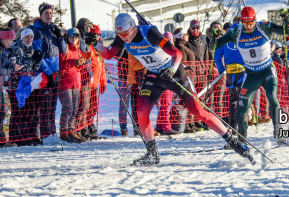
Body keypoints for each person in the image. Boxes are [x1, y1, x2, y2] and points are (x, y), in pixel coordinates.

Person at [92, 13, 252, 166]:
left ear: (133, 27)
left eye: (126, 32)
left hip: (174, 72)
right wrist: (95, 43)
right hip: (154, 75)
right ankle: (152, 153)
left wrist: (172, 68)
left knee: (198, 110)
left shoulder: (150, 33)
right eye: (120, 34)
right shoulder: (122, 38)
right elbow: (107, 54)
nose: (124, 37)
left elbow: (176, 53)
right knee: (141, 112)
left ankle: (232, 140)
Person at [209, 6, 289, 143]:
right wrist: (213, 37)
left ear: (255, 19)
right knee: (243, 106)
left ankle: (278, 130)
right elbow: (214, 46)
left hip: (267, 70)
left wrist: (286, 18)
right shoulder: (235, 31)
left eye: (251, 23)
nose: (248, 27)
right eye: (245, 23)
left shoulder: (264, 27)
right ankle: (242, 139)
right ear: (242, 21)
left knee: (272, 96)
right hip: (251, 74)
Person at [29, 3, 66, 139]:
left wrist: (60, 37)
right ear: (41, 15)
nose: (49, 15)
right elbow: (37, 55)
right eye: (46, 13)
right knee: (45, 106)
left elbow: (63, 51)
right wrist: (48, 73)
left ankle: (52, 133)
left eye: (50, 13)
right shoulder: (37, 31)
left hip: (55, 72)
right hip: (44, 73)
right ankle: (45, 134)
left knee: (53, 106)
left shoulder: (52, 30)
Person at [9, 28, 43, 146]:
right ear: (22, 37)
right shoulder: (16, 47)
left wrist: (38, 59)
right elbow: (20, 65)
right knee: (18, 111)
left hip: (28, 83)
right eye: (27, 37)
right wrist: (32, 59)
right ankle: (15, 137)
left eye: (31, 37)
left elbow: (34, 67)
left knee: (29, 111)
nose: (30, 39)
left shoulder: (31, 48)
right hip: (16, 84)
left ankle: (28, 135)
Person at [214, 27, 245, 131]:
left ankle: (231, 127)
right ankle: (238, 127)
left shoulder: (225, 39)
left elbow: (217, 56)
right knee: (242, 100)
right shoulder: (244, 37)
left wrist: (221, 70)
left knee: (233, 99)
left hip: (230, 74)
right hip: (243, 72)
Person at [59, 28, 86, 143]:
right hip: (65, 83)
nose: (74, 39)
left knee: (74, 109)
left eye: (76, 36)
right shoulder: (65, 49)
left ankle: (71, 130)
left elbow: (78, 67)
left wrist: (80, 64)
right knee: (68, 108)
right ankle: (64, 131)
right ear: (67, 37)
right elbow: (60, 66)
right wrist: (73, 63)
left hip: (76, 82)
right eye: (71, 36)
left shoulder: (78, 50)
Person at [86, 24, 107, 140]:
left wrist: (103, 82)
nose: (97, 37)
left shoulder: (99, 47)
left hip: (96, 83)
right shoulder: (88, 47)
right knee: (87, 107)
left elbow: (102, 65)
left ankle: (90, 126)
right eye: (95, 35)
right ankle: (86, 127)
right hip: (89, 82)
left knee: (93, 107)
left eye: (98, 35)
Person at [74, 18, 94, 140]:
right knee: (82, 105)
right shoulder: (79, 40)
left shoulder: (85, 40)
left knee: (86, 105)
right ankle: (78, 129)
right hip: (81, 75)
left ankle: (82, 128)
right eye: (88, 27)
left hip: (86, 74)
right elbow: (83, 57)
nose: (90, 29)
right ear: (83, 27)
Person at [155, 32, 178, 135]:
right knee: (166, 104)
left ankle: (159, 126)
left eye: (170, 39)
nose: (168, 41)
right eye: (166, 39)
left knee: (165, 104)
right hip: (163, 80)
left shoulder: (173, 51)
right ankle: (166, 127)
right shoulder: (160, 51)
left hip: (170, 79)